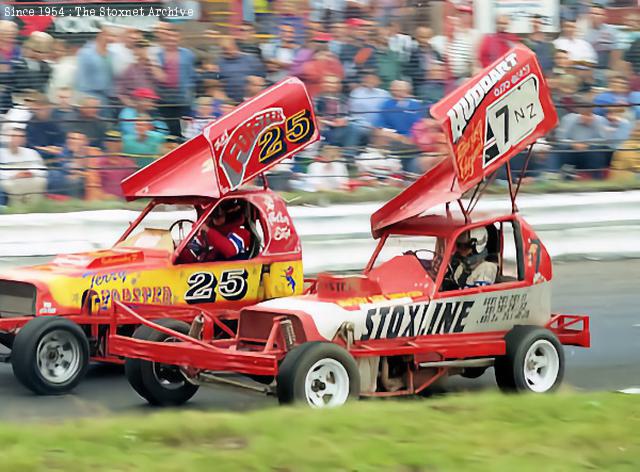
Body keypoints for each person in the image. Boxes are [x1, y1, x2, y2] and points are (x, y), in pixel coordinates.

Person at [179, 199, 252, 263]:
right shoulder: (208, 232)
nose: (215, 218)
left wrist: (208, 230)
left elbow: (230, 250)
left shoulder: (242, 232)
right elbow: (195, 248)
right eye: (213, 216)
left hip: (233, 272)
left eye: (218, 216)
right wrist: (180, 249)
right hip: (207, 272)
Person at [0, 127, 47, 206]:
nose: (17, 139)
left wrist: (31, 173)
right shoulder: (1, 153)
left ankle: (35, 208)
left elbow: (42, 169)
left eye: (20, 137)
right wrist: (15, 175)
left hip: (30, 178)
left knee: (40, 181)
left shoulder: (31, 152)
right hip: (11, 180)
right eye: (14, 136)